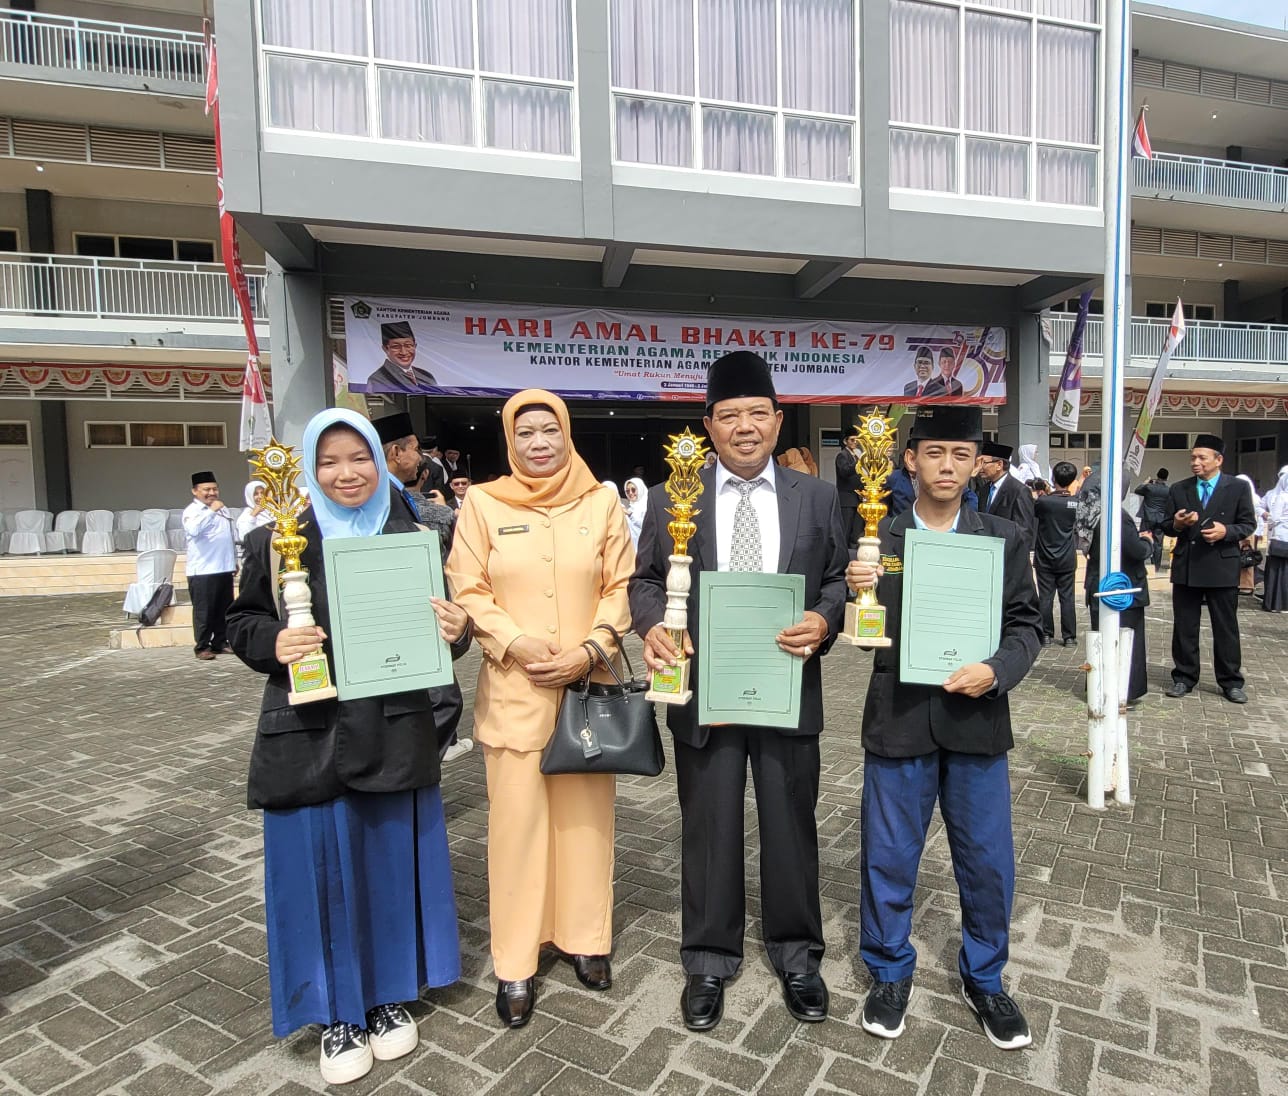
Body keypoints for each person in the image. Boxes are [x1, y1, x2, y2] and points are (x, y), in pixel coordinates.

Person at [225, 409, 468, 1086]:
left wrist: (458, 628)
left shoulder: (416, 533)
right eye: (328, 461)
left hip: (393, 730)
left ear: (378, 459)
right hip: (308, 736)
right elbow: (241, 619)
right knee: (320, 874)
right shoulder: (278, 541)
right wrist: (272, 642)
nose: (346, 473)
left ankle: (390, 996)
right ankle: (335, 1011)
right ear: (310, 467)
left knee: (389, 866)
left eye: (358, 457)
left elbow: (446, 629)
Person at [629, 351, 848, 1033]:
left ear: (779, 421)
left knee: (791, 825)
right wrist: (651, 628)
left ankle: (796, 954)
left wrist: (825, 618)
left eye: (758, 413)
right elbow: (641, 581)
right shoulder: (673, 499)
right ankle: (707, 957)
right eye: (730, 416)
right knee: (709, 827)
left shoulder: (814, 496)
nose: (745, 427)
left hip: (787, 688)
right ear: (709, 425)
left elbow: (840, 578)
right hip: (705, 695)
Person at [845, 405, 1041, 1051]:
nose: (948, 466)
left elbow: (1026, 625)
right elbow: (865, 634)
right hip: (899, 718)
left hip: (977, 719)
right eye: (934, 453)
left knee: (986, 862)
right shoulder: (882, 539)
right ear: (911, 460)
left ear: (977, 461)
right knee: (890, 857)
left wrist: (997, 669)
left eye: (961, 454)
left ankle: (985, 979)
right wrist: (858, 593)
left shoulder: (1003, 537)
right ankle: (889, 970)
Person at [445, 390, 635, 1030]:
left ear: (567, 432)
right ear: (509, 440)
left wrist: (591, 648)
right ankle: (517, 960)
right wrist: (515, 642)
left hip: (586, 690)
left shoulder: (601, 501)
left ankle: (586, 939)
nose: (538, 442)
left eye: (549, 429)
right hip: (515, 687)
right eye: (524, 432)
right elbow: (466, 586)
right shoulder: (483, 503)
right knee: (517, 830)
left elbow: (620, 585)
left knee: (585, 823)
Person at [375, 412, 473, 765]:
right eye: (415, 449)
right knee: (442, 701)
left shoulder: (396, 492)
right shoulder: (381, 495)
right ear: (396, 453)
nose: (421, 458)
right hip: (409, 620)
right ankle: (416, 772)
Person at [1162, 434, 1256, 704]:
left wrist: (1227, 531)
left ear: (1218, 460)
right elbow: (1166, 525)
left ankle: (1230, 681)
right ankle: (1184, 677)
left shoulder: (1237, 487)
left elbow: (1248, 524)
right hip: (1188, 565)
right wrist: (1178, 524)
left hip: (1222, 565)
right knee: (1185, 627)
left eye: (1202, 457)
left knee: (1225, 627)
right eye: (1193, 457)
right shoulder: (1180, 488)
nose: (1196, 462)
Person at [1086, 503, 1153, 706]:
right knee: (1125, 641)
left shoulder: (1097, 514)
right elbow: (1135, 550)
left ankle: (1103, 688)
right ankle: (1124, 690)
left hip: (1102, 585)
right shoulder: (1118, 516)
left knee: (1104, 639)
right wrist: (1147, 541)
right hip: (1121, 590)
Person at [183, 471, 237, 660]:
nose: (211, 493)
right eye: (206, 489)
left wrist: (234, 562)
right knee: (204, 611)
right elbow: (193, 530)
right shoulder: (192, 511)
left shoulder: (223, 508)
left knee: (224, 609)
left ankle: (221, 642)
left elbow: (229, 536)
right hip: (203, 571)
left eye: (214, 489)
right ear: (195, 491)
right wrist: (211, 511)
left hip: (223, 567)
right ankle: (202, 646)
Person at [1034, 462, 1080, 648]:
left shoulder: (1044, 502)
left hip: (1045, 556)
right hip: (1067, 557)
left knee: (1045, 597)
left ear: (1053, 478)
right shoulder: (1075, 503)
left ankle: (1046, 635)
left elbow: (1037, 511)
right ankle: (1069, 637)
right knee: (1067, 598)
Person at [975, 442, 1035, 550]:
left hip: (1007, 553)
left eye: (984, 463)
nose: (980, 467)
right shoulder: (984, 490)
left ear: (999, 464)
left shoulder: (1019, 491)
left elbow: (1023, 532)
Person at [364, 321, 439, 392]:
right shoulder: (377, 380)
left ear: (415, 346)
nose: (403, 352)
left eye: (408, 345)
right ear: (385, 349)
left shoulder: (427, 376)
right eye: (396, 346)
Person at [1262, 467, 1288, 613]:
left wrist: (1270, 523)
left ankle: (1275, 603)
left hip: (1279, 539)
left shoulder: (1282, 496)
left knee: (1275, 571)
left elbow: (1274, 518)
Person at [1134, 469, 1170, 571]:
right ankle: (1156, 567)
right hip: (1160, 519)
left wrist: (1146, 482)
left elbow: (1137, 490)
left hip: (1147, 517)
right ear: (1167, 478)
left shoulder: (1149, 487)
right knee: (1158, 544)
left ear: (1157, 475)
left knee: (1143, 539)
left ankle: (1142, 566)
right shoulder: (1168, 490)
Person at [1236, 474, 1265, 596]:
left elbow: (1255, 518)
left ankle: (1246, 586)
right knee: (1243, 558)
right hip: (1243, 531)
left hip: (1248, 532)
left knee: (1247, 558)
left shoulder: (1252, 499)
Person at [836, 430, 863, 545]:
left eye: (856, 440)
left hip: (857, 497)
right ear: (845, 441)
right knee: (846, 529)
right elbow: (844, 471)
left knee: (856, 530)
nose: (855, 442)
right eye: (852, 440)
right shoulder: (842, 455)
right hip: (846, 498)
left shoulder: (856, 454)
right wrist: (858, 463)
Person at [236, 480, 274, 544]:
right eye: (256, 494)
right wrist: (254, 514)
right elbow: (244, 536)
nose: (260, 496)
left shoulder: (273, 509)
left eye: (262, 493)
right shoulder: (247, 513)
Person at [624, 476, 648, 549]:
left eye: (633, 490)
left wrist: (630, 515)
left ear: (640, 489)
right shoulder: (630, 508)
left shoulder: (647, 507)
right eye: (627, 491)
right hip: (631, 549)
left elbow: (645, 525)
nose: (630, 493)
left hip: (644, 548)